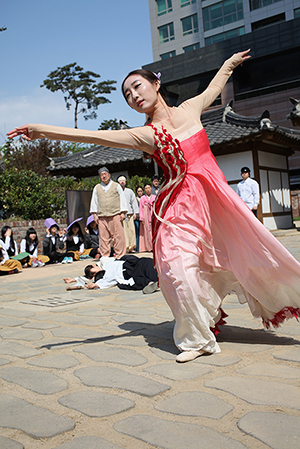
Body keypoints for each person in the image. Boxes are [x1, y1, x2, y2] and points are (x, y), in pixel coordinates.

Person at [8, 49, 300, 363]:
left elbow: (215, 89)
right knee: (174, 268)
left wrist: (229, 63)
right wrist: (42, 129)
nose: (133, 96)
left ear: (155, 84)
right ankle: (198, 337)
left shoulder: (190, 109)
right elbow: (93, 136)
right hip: (177, 209)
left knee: (251, 251)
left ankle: (210, 317)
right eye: (127, 95)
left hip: (213, 201)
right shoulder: (146, 134)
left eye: (137, 87)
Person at [89, 167, 128, 259]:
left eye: (105, 174)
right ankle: (105, 257)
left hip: (115, 215)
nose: (103, 176)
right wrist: (94, 214)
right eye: (101, 175)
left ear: (109, 175)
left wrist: (123, 213)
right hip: (102, 216)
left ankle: (120, 256)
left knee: (118, 237)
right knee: (103, 238)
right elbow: (94, 201)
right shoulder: (97, 187)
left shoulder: (116, 186)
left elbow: (122, 199)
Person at [83, 255, 158, 293]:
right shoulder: (110, 269)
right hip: (136, 265)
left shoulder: (105, 262)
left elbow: (105, 282)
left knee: (136, 279)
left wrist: (95, 284)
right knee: (148, 269)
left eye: (93, 272)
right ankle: (153, 282)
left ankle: (151, 282)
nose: (94, 273)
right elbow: (105, 281)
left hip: (132, 267)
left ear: (93, 265)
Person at [117, 175, 139, 253]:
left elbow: (134, 202)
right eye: (120, 181)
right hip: (121, 214)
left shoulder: (129, 191)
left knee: (131, 231)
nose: (122, 182)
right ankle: (125, 247)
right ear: (118, 182)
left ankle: (132, 247)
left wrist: (135, 213)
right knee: (124, 232)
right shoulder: (117, 191)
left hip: (130, 213)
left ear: (125, 182)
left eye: (123, 180)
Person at [139, 183, 156, 252]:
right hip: (146, 215)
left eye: (149, 188)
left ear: (151, 188)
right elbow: (141, 208)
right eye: (146, 188)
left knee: (154, 230)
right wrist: (142, 218)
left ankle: (155, 245)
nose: (147, 189)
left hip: (153, 214)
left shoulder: (154, 196)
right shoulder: (142, 198)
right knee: (147, 231)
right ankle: (149, 247)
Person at [135, 186, 144, 252]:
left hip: (145, 218)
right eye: (138, 191)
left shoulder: (144, 198)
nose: (140, 192)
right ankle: (137, 248)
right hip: (137, 218)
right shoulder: (135, 199)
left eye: (141, 191)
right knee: (137, 233)